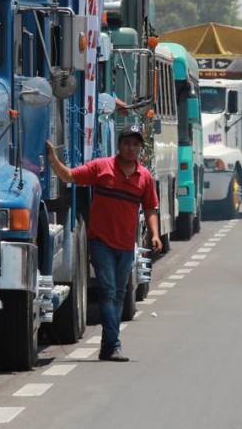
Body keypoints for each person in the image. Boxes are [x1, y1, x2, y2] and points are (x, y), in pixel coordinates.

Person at [46, 125, 162, 362]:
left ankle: (107, 346)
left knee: (119, 293)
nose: (131, 148)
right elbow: (69, 176)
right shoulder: (102, 167)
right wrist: (53, 160)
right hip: (101, 243)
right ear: (119, 145)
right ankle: (114, 344)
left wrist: (155, 234)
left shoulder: (145, 178)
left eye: (135, 144)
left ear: (140, 148)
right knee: (109, 292)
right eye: (127, 143)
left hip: (126, 245)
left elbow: (150, 208)